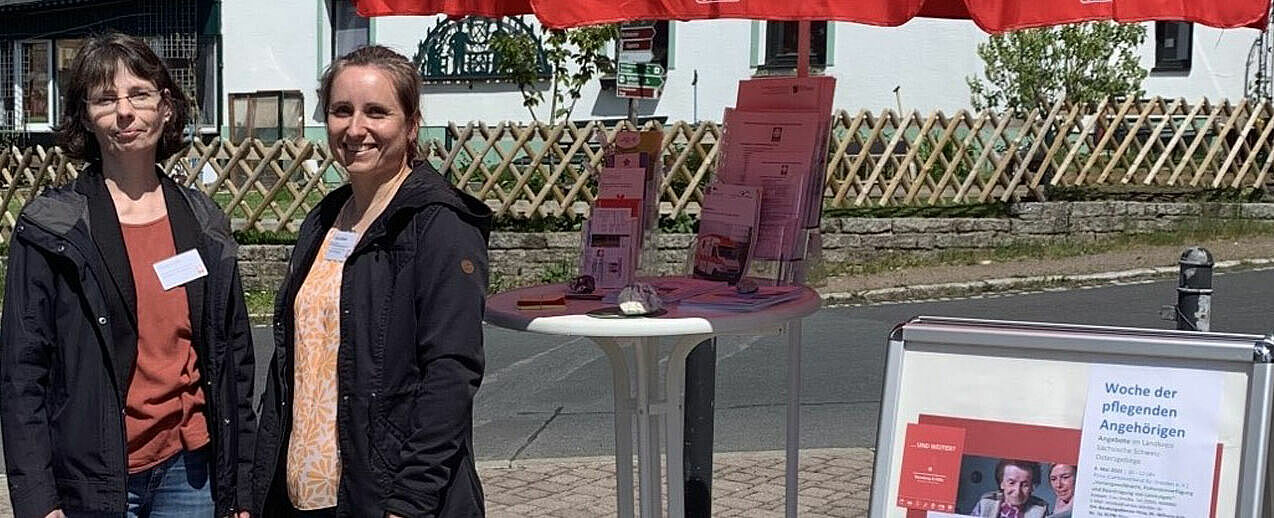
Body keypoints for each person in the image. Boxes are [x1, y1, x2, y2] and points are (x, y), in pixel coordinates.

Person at [0, 33, 255, 518]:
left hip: (190, 470)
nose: (124, 112)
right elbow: (22, 376)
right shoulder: (53, 229)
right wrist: (38, 501)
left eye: (139, 94)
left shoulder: (203, 223)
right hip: (93, 473)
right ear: (85, 117)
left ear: (165, 106)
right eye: (105, 99)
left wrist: (238, 487)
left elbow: (235, 361)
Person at [250, 45, 491, 518]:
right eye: (341, 111)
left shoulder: (439, 226)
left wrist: (411, 500)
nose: (355, 129)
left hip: (390, 498)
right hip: (309, 496)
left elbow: (451, 373)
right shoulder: (323, 222)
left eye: (376, 112)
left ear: (412, 123)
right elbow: (292, 369)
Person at [968, 459, 1049, 518]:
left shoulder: (1041, 510)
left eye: (1025, 485)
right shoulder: (986, 503)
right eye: (1011, 483)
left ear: (1032, 487)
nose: (1017, 491)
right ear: (1002, 483)